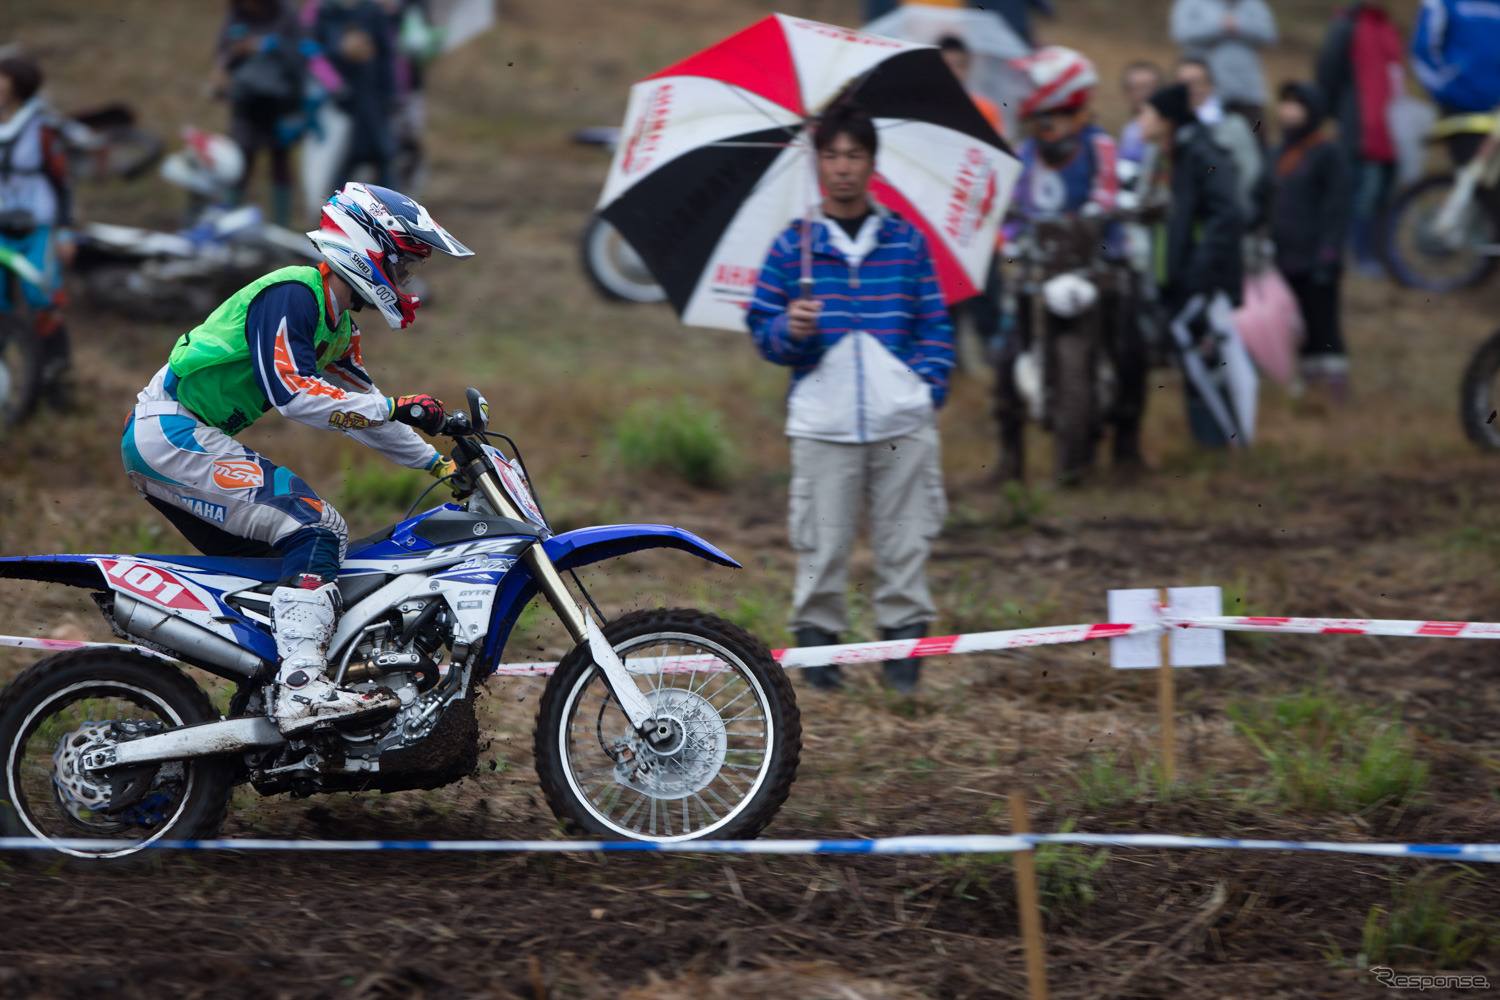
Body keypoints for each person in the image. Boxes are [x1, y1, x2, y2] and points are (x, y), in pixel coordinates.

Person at [121, 182, 473, 734]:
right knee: (316, 528)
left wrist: (440, 467)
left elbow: (371, 418)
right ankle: (303, 690)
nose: (405, 281)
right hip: (170, 432)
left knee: (279, 572)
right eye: (402, 266)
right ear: (367, 248)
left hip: (183, 437)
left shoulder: (337, 326)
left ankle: (264, 706)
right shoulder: (293, 294)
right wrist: (393, 405)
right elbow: (292, 393)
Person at [747, 105, 953, 694]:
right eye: (831, 155)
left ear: (871, 163)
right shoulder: (794, 247)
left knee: (905, 542)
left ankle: (904, 666)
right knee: (822, 546)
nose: (842, 168)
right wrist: (793, 328)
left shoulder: (906, 242)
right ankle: (821, 666)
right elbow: (764, 330)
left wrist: (924, 387)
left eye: (854, 155)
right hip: (822, 424)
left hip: (904, 422)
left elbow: (935, 324)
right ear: (817, 164)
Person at [998, 47, 1146, 477]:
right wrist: (1009, 234)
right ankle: (1010, 451)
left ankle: (1127, 442)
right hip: (1041, 264)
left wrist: (1100, 213)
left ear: (1079, 111)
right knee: (1007, 351)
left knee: (1131, 345)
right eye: (1040, 120)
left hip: (1099, 260)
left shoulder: (1099, 146)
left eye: (1055, 117)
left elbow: (1106, 190)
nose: (1047, 129)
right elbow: (1012, 201)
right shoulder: (1025, 153)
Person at [1136, 83, 1252, 448]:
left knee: (1212, 363)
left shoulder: (1203, 154)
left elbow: (1227, 214)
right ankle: (1208, 444)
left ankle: (1230, 446)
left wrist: (1199, 272)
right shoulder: (1167, 157)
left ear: (1167, 121)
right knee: (1194, 366)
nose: (1139, 119)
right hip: (1177, 282)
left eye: (1147, 112)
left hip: (1200, 284)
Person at [0, 51, 74, 407]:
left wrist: (65, 230)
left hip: (36, 226)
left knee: (43, 299)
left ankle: (54, 381)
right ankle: (12, 382)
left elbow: (62, 181)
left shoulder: (41, 126)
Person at [1271, 82, 1350, 401]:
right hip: (1285, 256)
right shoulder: (1278, 153)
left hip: (1318, 256)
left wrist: (1328, 253)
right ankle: (1307, 382)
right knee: (1298, 324)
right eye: (1284, 103)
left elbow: (1337, 207)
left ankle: (1334, 388)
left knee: (1324, 323)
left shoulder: (1327, 152)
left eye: (1297, 104)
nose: (1288, 110)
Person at [1316, 0, 1405, 278]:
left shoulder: (1388, 27)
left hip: (1390, 127)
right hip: (1359, 125)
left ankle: (1379, 252)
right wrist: (1333, 114)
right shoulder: (1346, 25)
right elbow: (1327, 72)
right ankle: (1358, 253)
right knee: (1363, 194)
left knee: (1384, 194)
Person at [212, 0, 305, 226]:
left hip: (280, 102)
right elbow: (223, 51)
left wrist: (266, 46)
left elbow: (302, 53)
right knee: (240, 161)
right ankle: (226, 221)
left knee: (280, 161)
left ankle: (281, 225)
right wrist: (232, 56)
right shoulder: (237, 15)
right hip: (247, 101)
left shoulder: (286, 15)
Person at [311, 0, 400, 189]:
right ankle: (332, 213)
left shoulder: (372, 11)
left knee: (383, 163)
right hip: (340, 104)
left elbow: (386, 56)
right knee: (340, 167)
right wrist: (341, 50)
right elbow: (313, 54)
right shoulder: (325, 11)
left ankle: (392, 214)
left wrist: (391, 95)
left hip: (372, 102)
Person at [1175, 56, 1267, 227]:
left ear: (1210, 86)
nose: (1190, 90)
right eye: (1184, 84)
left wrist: (1234, 212)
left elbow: (1251, 172)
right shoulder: (1173, 127)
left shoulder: (1232, 125)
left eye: (1196, 82)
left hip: (1225, 220)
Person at [1410, 0, 1500, 167]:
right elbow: (1423, 49)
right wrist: (1447, 88)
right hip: (1459, 106)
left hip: (1496, 109)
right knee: (1469, 176)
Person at [1170, 0, 1278, 123]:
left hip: (1248, 91)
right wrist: (1220, 26)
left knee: (1256, 130)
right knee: (1212, 135)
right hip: (1206, 93)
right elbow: (1181, 32)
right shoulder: (1190, 3)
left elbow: (1269, 34)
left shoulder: (1253, 4)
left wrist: (1240, 25)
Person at [1118, 61, 1165, 170]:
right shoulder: (1128, 130)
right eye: (1137, 88)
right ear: (1127, 93)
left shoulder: (1173, 128)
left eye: (1149, 87)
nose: (1145, 93)